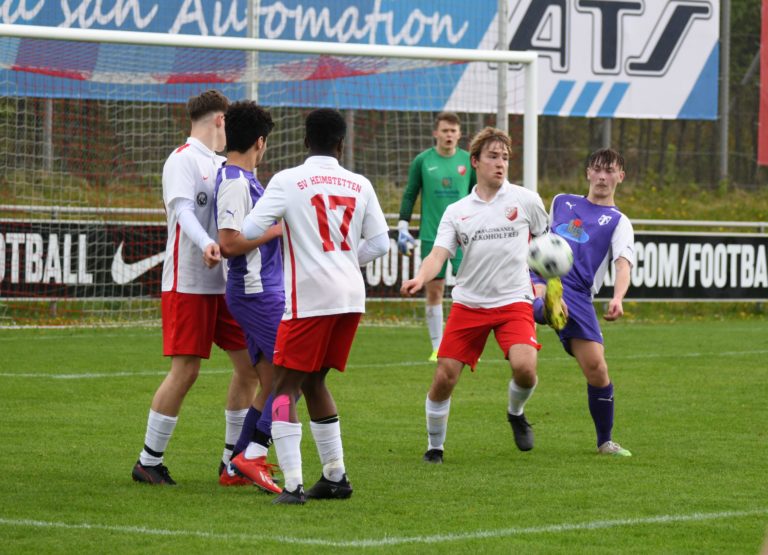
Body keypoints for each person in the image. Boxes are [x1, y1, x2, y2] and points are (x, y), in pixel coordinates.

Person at [242, 108, 390, 504]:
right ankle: (336, 476)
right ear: (342, 144)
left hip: (310, 298)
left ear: (305, 141)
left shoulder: (288, 180)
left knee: (283, 387)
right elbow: (380, 244)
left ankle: (292, 485)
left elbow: (250, 229)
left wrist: (284, 231)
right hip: (349, 297)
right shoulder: (360, 183)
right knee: (314, 380)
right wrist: (341, 259)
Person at [401, 127, 549, 464]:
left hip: (514, 301)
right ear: (475, 162)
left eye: (505, 158)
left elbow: (547, 243)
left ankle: (516, 412)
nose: (501, 164)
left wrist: (545, 283)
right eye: (493, 157)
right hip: (469, 304)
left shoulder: (526, 200)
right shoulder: (457, 211)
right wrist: (421, 277)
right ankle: (434, 447)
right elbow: (438, 254)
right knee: (444, 377)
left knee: (526, 368)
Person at [132, 90, 258, 485]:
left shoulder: (224, 165)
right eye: (228, 122)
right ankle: (148, 461)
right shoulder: (182, 159)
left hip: (226, 286)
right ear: (220, 120)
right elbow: (182, 210)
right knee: (186, 372)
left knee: (250, 368)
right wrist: (206, 243)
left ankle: (231, 460)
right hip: (188, 283)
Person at [532, 148, 634, 457]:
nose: (603, 176)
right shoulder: (561, 201)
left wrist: (617, 297)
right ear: (588, 172)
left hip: (578, 293)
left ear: (620, 176)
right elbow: (540, 238)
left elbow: (622, 263)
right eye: (597, 169)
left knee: (597, 369)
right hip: (542, 276)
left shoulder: (618, 221)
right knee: (542, 292)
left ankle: (605, 442)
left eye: (610, 170)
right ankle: (547, 306)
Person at [213, 100, 283, 492]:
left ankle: (236, 466)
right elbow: (228, 243)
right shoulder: (236, 182)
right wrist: (274, 232)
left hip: (263, 291)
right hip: (255, 293)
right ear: (260, 142)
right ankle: (254, 452)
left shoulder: (247, 179)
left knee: (272, 379)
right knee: (290, 376)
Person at [397, 112, 475, 362]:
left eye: (453, 131)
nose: (449, 135)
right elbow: (410, 194)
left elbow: (479, 193)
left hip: (466, 235)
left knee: (470, 289)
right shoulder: (423, 161)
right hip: (433, 235)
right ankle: (438, 347)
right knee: (434, 291)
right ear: (436, 133)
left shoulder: (468, 161)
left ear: (460, 134)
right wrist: (402, 226)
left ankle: (468, 344)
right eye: (444, 130)